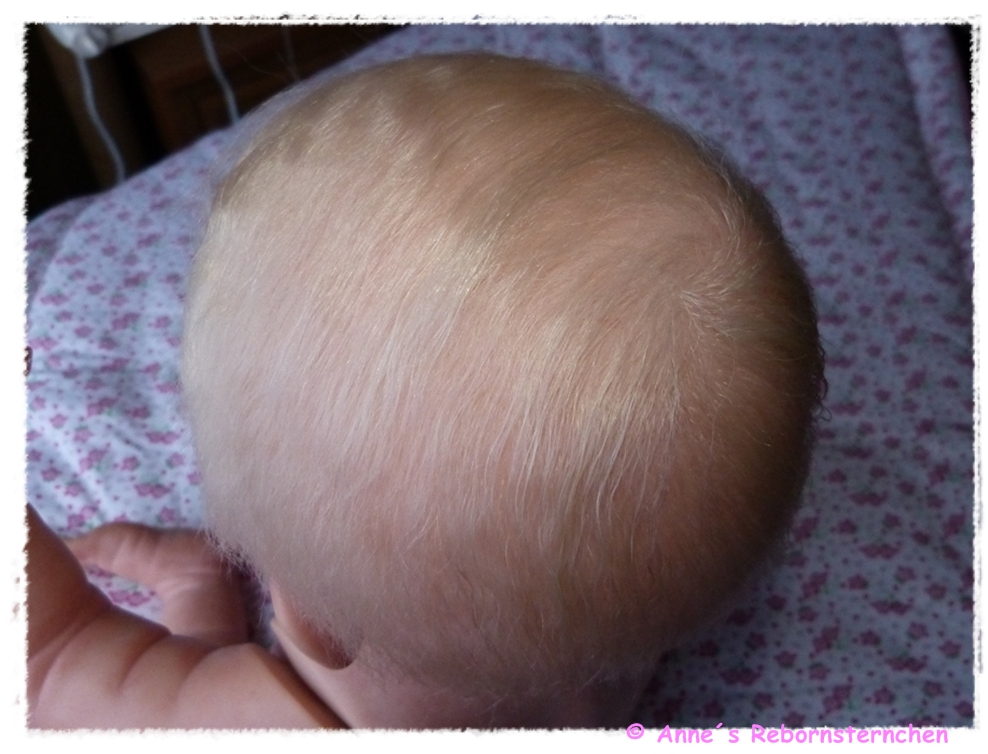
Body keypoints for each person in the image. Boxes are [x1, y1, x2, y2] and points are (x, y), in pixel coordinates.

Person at [27, 53, 824, 729]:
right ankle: (197, 576)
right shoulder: (621, 610)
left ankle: (197, 583)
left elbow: (48, 656)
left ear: (316, 623)